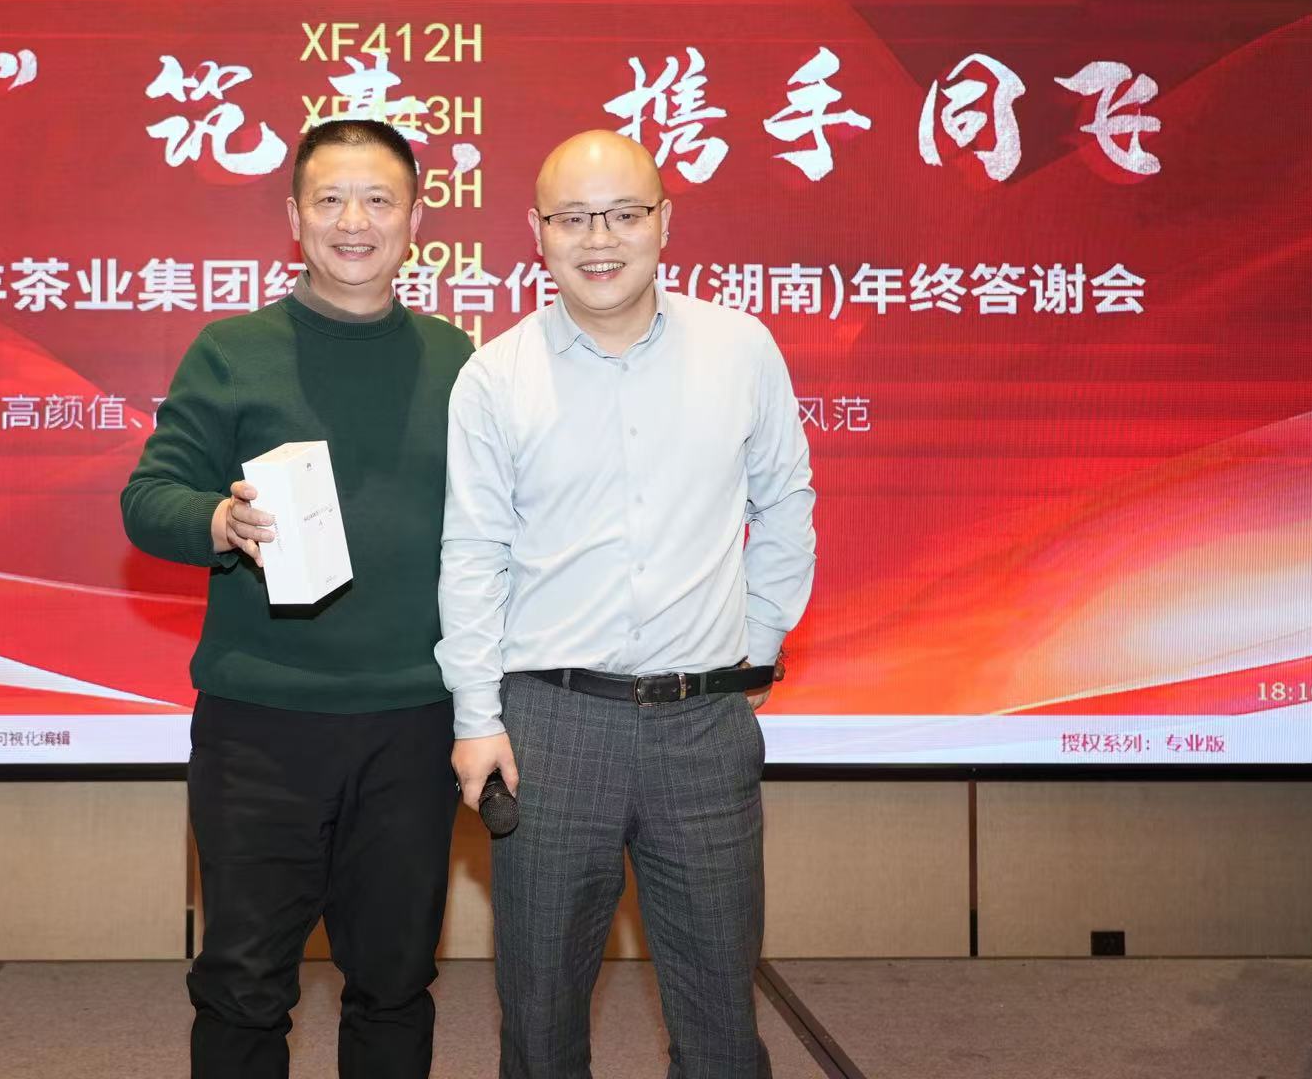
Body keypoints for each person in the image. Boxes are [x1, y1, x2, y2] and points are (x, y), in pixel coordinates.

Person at [437, 130, 816, 1078]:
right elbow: (474, 554)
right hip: (550, 727)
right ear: (537, 232)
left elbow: (785, 503)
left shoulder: (740, 348)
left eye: (623, 214)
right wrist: (477, 718)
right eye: (573, 218)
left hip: (703, 727)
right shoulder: (495, 376)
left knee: (721, 1011)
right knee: (540, 1010)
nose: (599, 239)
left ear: (664, 222)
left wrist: (757, 644)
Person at [121, 118, 473, 1079]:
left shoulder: (459, 361)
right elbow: (148, 499)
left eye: (379, 200)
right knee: (243, 985)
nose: (354, 221)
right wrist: (217, 521)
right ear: (293, 217)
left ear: (415, 220)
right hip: (261, 725)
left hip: (413, 723)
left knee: (395, 981)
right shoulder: (233, 351)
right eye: (330, 200)